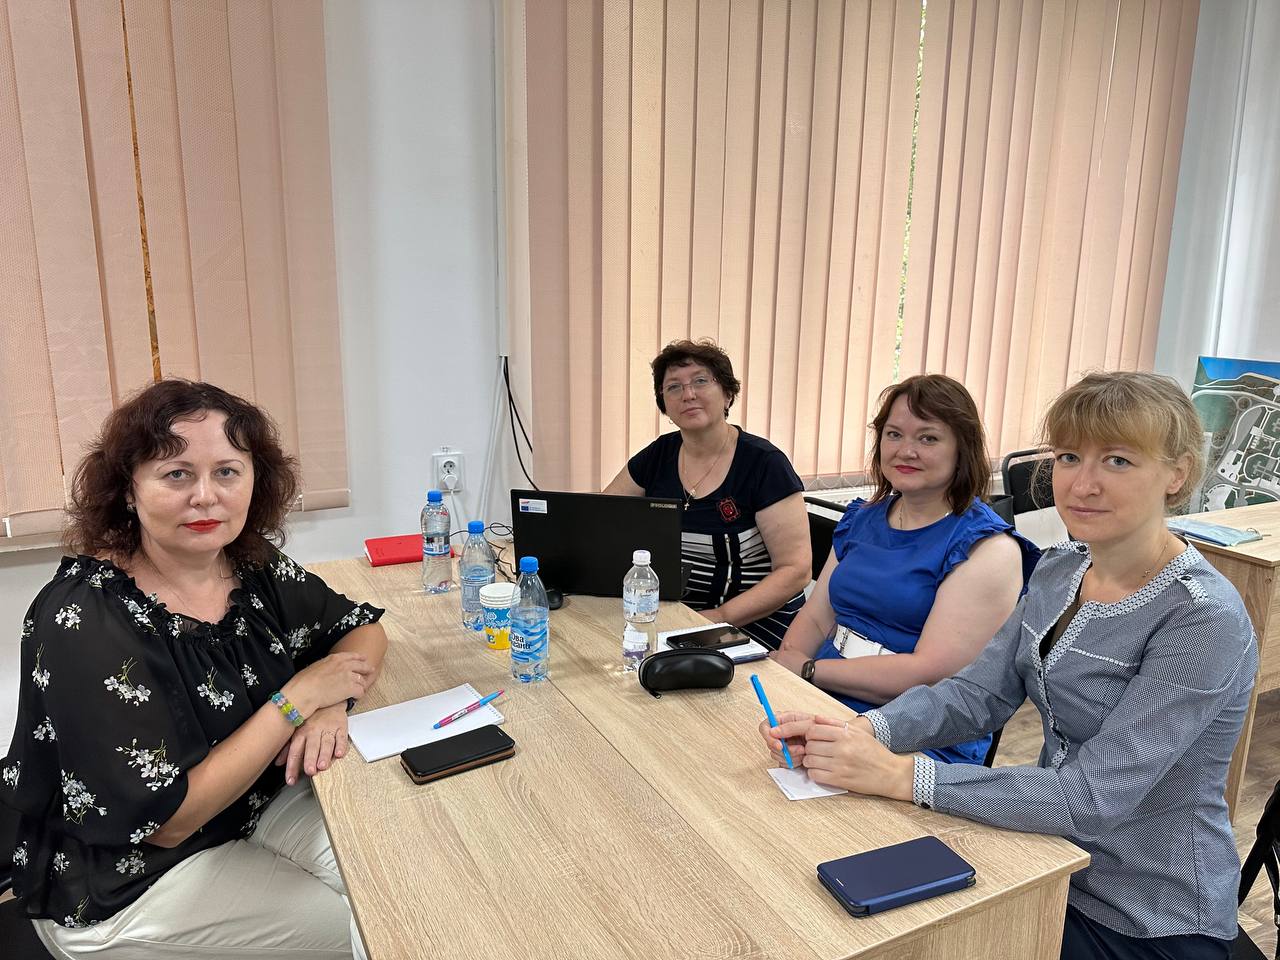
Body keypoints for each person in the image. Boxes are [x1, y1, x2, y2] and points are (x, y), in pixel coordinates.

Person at [761, 371, 1257, 960]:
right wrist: (862, 731)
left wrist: (901, 775)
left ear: (1177, 474)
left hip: (1148, 913)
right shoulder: (1061, 567)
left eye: (1118, 461)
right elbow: (977, 695)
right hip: (1044, 857)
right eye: (1069, 457)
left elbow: (1092, 798)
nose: (1083, 483)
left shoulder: (1201, 617)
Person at [1, 380, 388, 960]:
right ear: (128, 489)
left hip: (245, 810)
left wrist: (332, 700)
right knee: (374, 925)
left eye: (227, 471)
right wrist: (296, 701)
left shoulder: (248, 565)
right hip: (130, 881)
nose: (206, 497)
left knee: (396, 873)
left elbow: (362, 630)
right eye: (176, 474)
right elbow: (170, 821)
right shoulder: (84, 619)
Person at [769, 374, 1038, 764]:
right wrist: (786, 675)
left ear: (962, 449)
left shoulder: (988, 548)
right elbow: (815, 616)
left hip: (915, 730)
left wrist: (809, 670)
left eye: (928, 438)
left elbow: (929, 674)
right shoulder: (862, 517)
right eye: (894, 435)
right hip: (824, 696)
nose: (906, 451)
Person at [604, 339, 811, 648]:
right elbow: (601, 516)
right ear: (664, 404)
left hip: (754, 623)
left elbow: (796, 571)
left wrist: (718, 617)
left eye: (700, 381)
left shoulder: (764, 464)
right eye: (674, 387)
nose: (688, 394)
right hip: (678, 616)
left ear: (728, 394)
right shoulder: (658, 455)